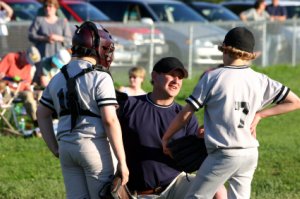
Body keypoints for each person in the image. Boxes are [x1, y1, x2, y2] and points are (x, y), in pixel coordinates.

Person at [162, 27, 300, 199]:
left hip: (224, 153)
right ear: (249, 54)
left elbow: (185, 114)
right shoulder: (260, 79)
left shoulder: (213, 77)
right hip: (249, 153)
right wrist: (260, 114)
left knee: (196, 197)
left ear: (225, 49)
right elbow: (295, 102)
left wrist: (166, 137)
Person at [36, 21, 129, 199]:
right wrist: (122, 162)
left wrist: (55, 148)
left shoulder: (57, 77)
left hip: (66, 147)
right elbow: (110, 120)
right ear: (99, 48)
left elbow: (41, 113)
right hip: (93, 146)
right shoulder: (100, 76)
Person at [117, 57, 227, 199]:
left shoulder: (185, 115)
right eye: (171, 75)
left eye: (180, 77)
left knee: (218, 190)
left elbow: (193, 160)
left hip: (175, 183)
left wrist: (201, 140)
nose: (176, 81)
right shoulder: (130, 106)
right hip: (139, 192)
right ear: (154, 76)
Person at [0, 46, 41, 135]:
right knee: (4, 97)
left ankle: (36, 123)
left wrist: (31, 90)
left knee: (30, 96)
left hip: (20, 90)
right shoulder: (10, 57)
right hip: (7, 89)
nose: (27, 63)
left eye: (29, 62)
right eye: (27, 60)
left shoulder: (28, 66)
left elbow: (27, 83)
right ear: (24, 53)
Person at [266, 0, 287, 65]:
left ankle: (274, 63)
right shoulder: (268, 7)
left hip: (278, 33)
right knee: (267, 48)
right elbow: (266, 16)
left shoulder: (281, 8)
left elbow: (284, 18)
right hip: (268, 32)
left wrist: (274, 17)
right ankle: (265, 63)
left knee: (276, 50)